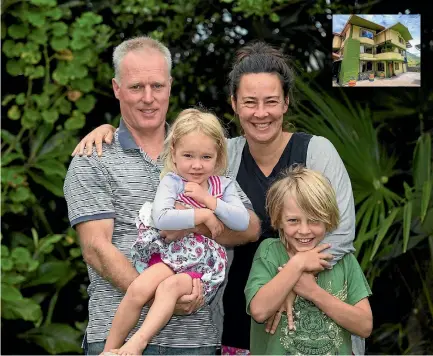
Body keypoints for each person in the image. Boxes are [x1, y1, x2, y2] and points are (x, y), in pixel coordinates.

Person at [72, 42, 364, 354]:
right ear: (234, 104)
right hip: (236, 327)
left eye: (271, 101)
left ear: (286, 103)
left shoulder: (312, 152)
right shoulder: (223, 155)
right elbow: (97, 245)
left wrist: (291, 283)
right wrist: (105, 131)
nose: (261, 112)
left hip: (310, 316)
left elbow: (339, 235)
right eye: (250, 102)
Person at [64, 36, 261, 356]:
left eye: (157, 86)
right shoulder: (93, 158)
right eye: (135, 87)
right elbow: (96, 249)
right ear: (116, 88)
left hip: (195, 340)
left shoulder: (197, 152)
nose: (148, 98)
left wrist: (198, 222)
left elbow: (250, 228)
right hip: (116, 336)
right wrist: (163, 297)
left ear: (170, 85)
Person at [102, 108, 250, 356]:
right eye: (188, 155)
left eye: (206, 157)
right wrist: (202, 215)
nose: (196, 164)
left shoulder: (223, 186)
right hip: (173, 255)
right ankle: (109, 350)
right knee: (138, 289)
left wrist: (209, 201)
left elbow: (242, 221)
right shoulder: (172, 182)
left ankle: (137, 344)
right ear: (174, 153)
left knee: (168, 289)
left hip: (203, 264)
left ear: (218, 156)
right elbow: (162, 218)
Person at [245, 165, 372, 354]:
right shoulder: (269, 252)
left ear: (328, 220)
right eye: (293, 221)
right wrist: (298, 264)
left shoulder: (345, 261)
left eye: (314, 220)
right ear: (278, 219)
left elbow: (364, 326)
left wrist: (312, 291)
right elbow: (259, 311)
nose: (304, 230)